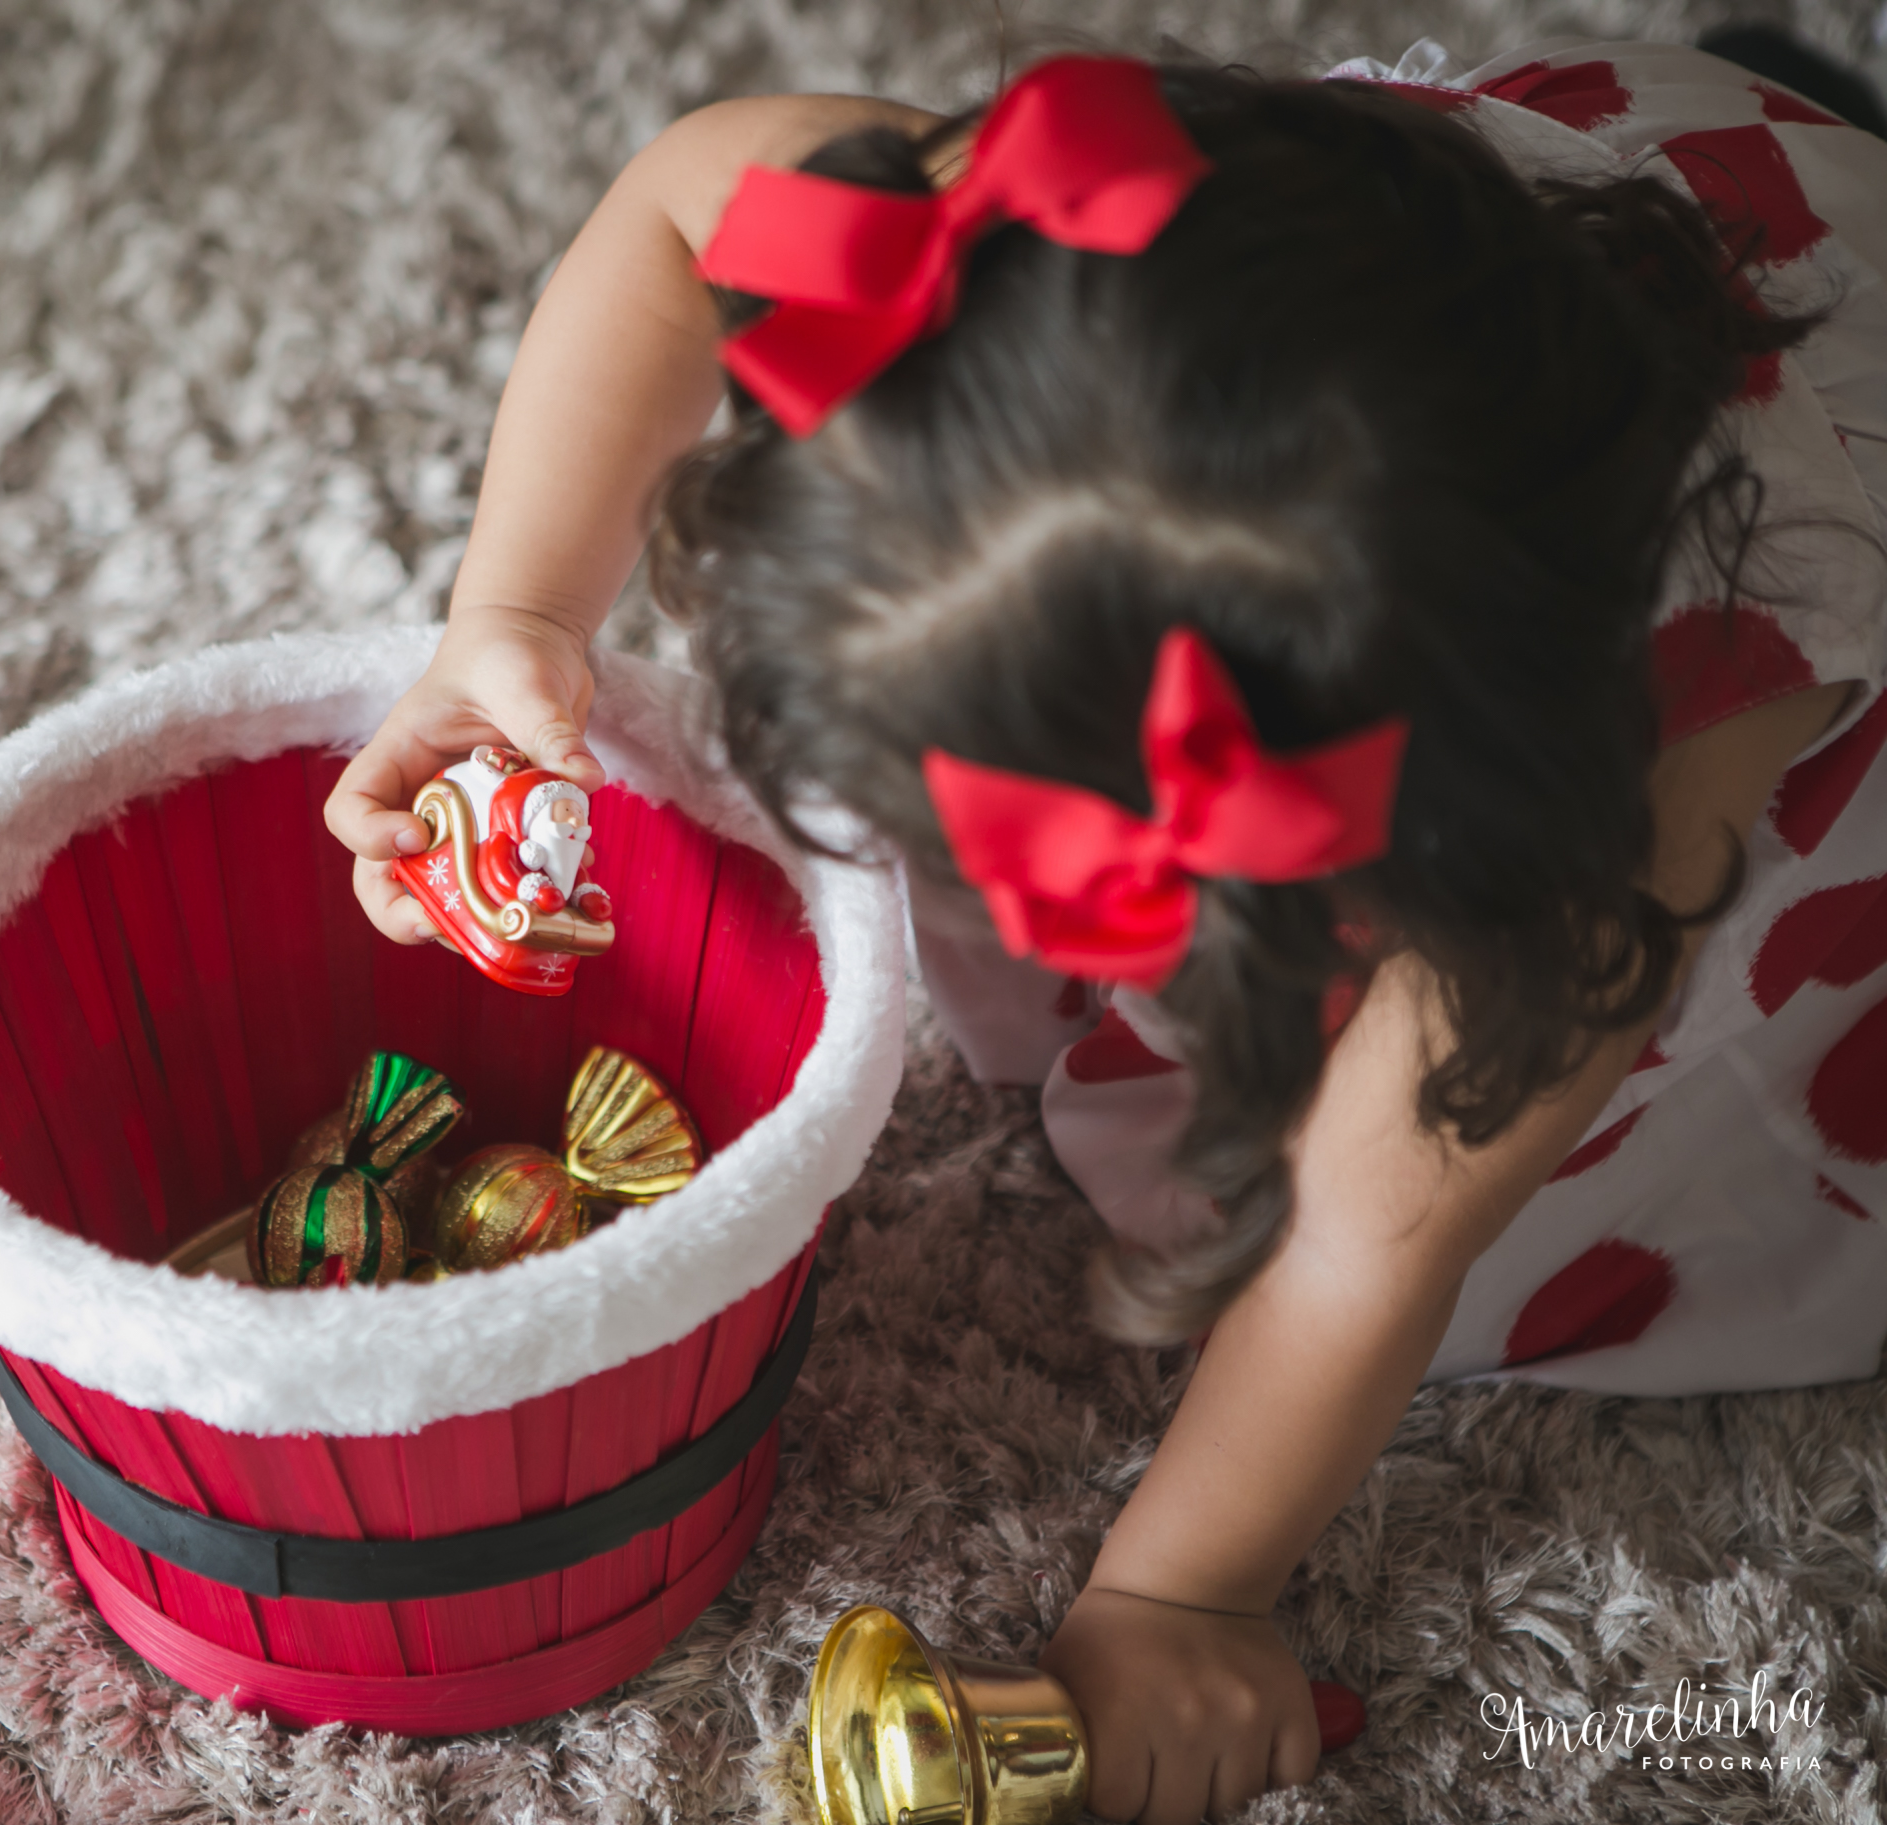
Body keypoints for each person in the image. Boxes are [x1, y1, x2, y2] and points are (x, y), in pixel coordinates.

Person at [323, 30, 1887, 1825]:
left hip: (1713, 539)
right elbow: (687, 208)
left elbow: (1366, 1241)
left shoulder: (1597, 804)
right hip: (1496, 293)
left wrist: (1174, 1593)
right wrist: (511, 611)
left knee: (1455, 1173)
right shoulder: (1032, 283)